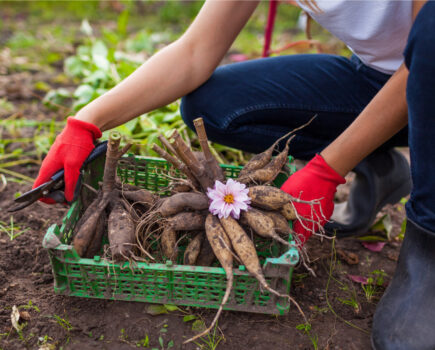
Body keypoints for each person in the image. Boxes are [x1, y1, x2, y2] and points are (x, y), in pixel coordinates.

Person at [33, 1, 435, 348]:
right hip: (373, 78)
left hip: (427, 71)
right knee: (215, 105)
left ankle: (428, 243)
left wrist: (328, 170)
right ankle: (377, 163)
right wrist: (86, 122)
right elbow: (194, 52)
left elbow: (424, 61)